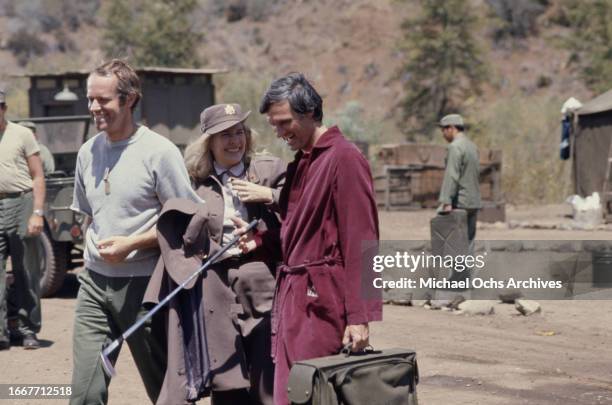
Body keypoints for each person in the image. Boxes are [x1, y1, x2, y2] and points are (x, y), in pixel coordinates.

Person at [236, 73, 382, 405]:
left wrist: (360, 318)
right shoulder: (302, 163)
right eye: (274, 124)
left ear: (311, 112)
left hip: (322, 303)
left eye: (284, 122)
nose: (279, 132)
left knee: (315, 393)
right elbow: (294, 231)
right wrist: (259, 243)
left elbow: (365, 242)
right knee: (292, 393)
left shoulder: (345, 159)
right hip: (293, 300)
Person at [69, 59, 200, 404]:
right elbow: (89, 214)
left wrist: (133, 243)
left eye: (104, 100)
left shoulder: (159, 152)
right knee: (85, 392)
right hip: (94, 285)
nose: (95, 107)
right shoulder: (87, 153)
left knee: (166, 392)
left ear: (129, 100)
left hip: (147, 290)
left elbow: (188, 219)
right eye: (90, 99)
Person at [146, 103, 285, 405]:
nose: (235, 141)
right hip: (214, 290)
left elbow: (301, 208)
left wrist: (268, 196)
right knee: (226, 381)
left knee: (269, 384)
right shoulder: (193, 183)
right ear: (208, 141)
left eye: (239, 133)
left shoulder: (268, 170)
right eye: (224, 135)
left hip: (261, 283)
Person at [0, 88, 46, 350]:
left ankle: (28, 329)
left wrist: (37, 212)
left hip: (22, 201)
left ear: (4, 108)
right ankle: (2, 332)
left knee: (26, 270)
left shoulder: (22, 134)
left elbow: (38, 175)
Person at [437, 114, 481, 249]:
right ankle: (467, 270)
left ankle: (457, 271)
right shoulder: (471, 146)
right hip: (473, 201)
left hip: (460, 202)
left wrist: (446, 201)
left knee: (453, 246)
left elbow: (452, 175)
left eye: (443, 129)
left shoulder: (455, 147)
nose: (443, 134)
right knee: (468, 244)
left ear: (451, 128)